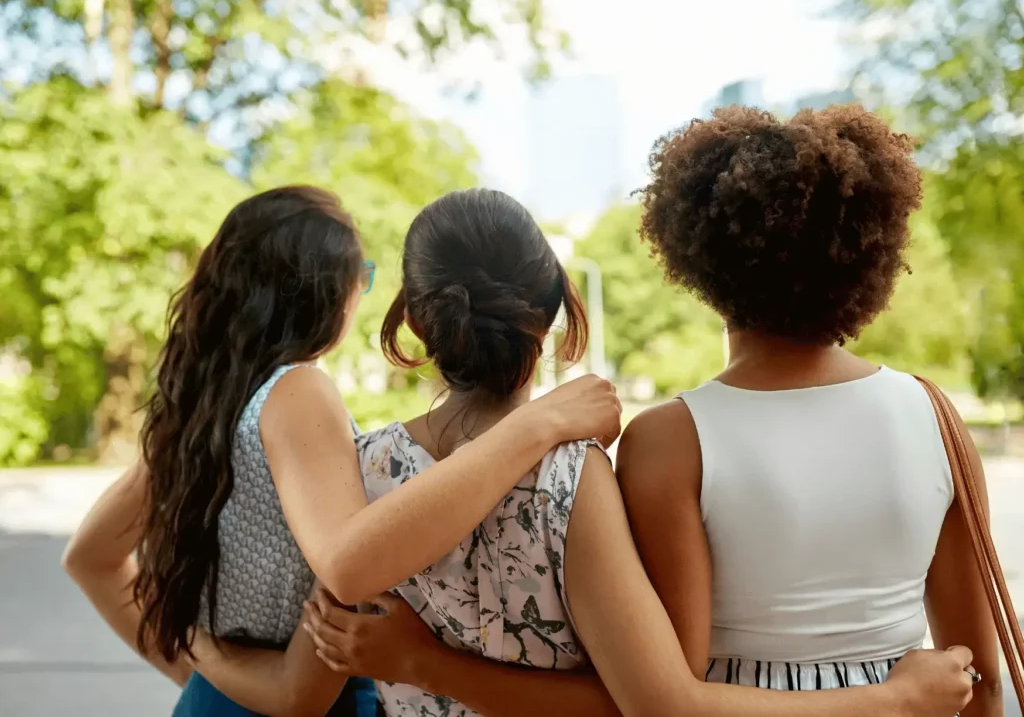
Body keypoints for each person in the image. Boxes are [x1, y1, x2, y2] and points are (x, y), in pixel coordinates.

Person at [190, 188, 978, 717]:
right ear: (556, 312)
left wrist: (197, 645)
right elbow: (644, 701)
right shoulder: (573, 480)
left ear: (416, 325)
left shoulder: (361, 476)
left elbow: (309, 682)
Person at [61, 186, 623, 717]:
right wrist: (538, 423)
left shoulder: (201, 411)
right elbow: (306, 670)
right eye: (363, 275)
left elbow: (89, 556)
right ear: (331, 291)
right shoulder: (299, 392)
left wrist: (201, 663)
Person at [614, 105, 1001, 716]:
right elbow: (982, 681)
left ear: (702, 260)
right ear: (865, 253)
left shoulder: (669, 440)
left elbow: (675, 690)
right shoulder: (933, 414)